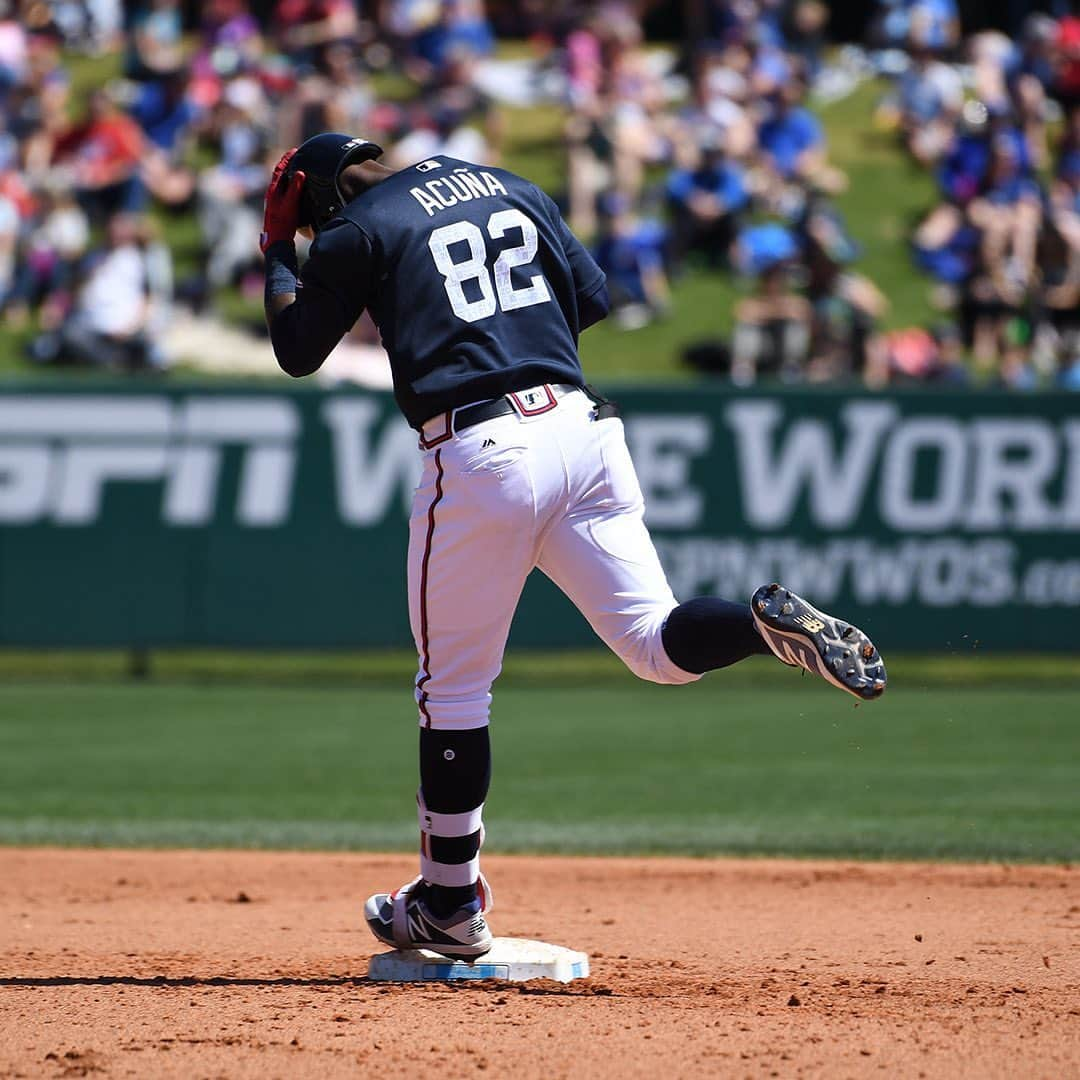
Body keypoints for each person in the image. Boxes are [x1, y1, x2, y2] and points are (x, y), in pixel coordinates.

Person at [259, 132, 887, 960]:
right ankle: (757, 625)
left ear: (317, 193)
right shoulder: (512, 182)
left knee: (452, 693)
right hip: (582, 427)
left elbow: (297, 350)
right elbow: (587, 302)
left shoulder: (357, 227)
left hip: (481, 449)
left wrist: (275, 249)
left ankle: (449, 901)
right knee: (657, 644)